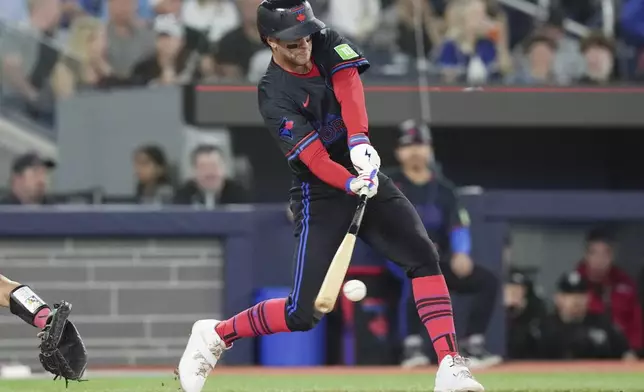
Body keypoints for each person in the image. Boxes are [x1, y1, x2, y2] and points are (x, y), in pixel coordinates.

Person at [176, 2, 484, 392]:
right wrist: (349, 182)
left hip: (364, 171)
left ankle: (450, 366)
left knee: (423, 257)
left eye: (305, 35)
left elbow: (350, 88)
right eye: (291, 41)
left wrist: (359, 144)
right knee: (302, 313)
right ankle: (216, 334)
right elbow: (314, 158)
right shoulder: (273, 94)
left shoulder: (325, 41)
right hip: (318, 193)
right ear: (270, 41)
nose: (302, 45)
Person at [385, 120, 501, 368]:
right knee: (415, 271)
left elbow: (458, 225)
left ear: (430, 149)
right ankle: (411, 347)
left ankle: (473, 344)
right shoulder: (388, 184)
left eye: (420, 144)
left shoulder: (444, 189)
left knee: (486, 281)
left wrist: (461, 253)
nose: (415, 151)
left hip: (439, 259)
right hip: (400, 258)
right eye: (408, 145)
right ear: (398, 152)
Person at [536, 271, 637, 361]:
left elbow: (628, 355)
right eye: (569, 295)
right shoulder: (545, 327)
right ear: (558, 298)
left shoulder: (602, 323)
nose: (576, 300)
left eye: (581, 294)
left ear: (588, 297)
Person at [575, 229, 642, 353]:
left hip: (626, 355)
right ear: (586, 255)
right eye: (594, 253)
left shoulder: (625, 283)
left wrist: (635, 351)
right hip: (588, 353)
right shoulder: (575, 285)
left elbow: (636, 322)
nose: (599, 260)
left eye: (606, 254)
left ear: (613, 256)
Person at [173, 144, 250, 207]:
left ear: (224, 169)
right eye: (203, 167)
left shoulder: (240, 194)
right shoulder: (182, 196)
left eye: (214, 166)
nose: (210, 173)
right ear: (193, 171)